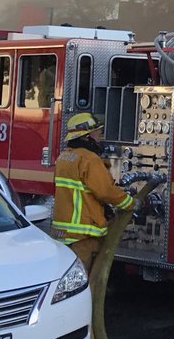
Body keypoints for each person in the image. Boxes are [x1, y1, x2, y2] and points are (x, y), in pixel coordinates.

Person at [52, 112, 133, 271]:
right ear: (86, 136)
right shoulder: (89, 159)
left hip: (64, 234)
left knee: (68, 276)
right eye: (97, 133)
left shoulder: (63, 158)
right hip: (83, 235)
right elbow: (106, 191)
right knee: (84, 280)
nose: (99, 137)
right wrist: (130, 203)